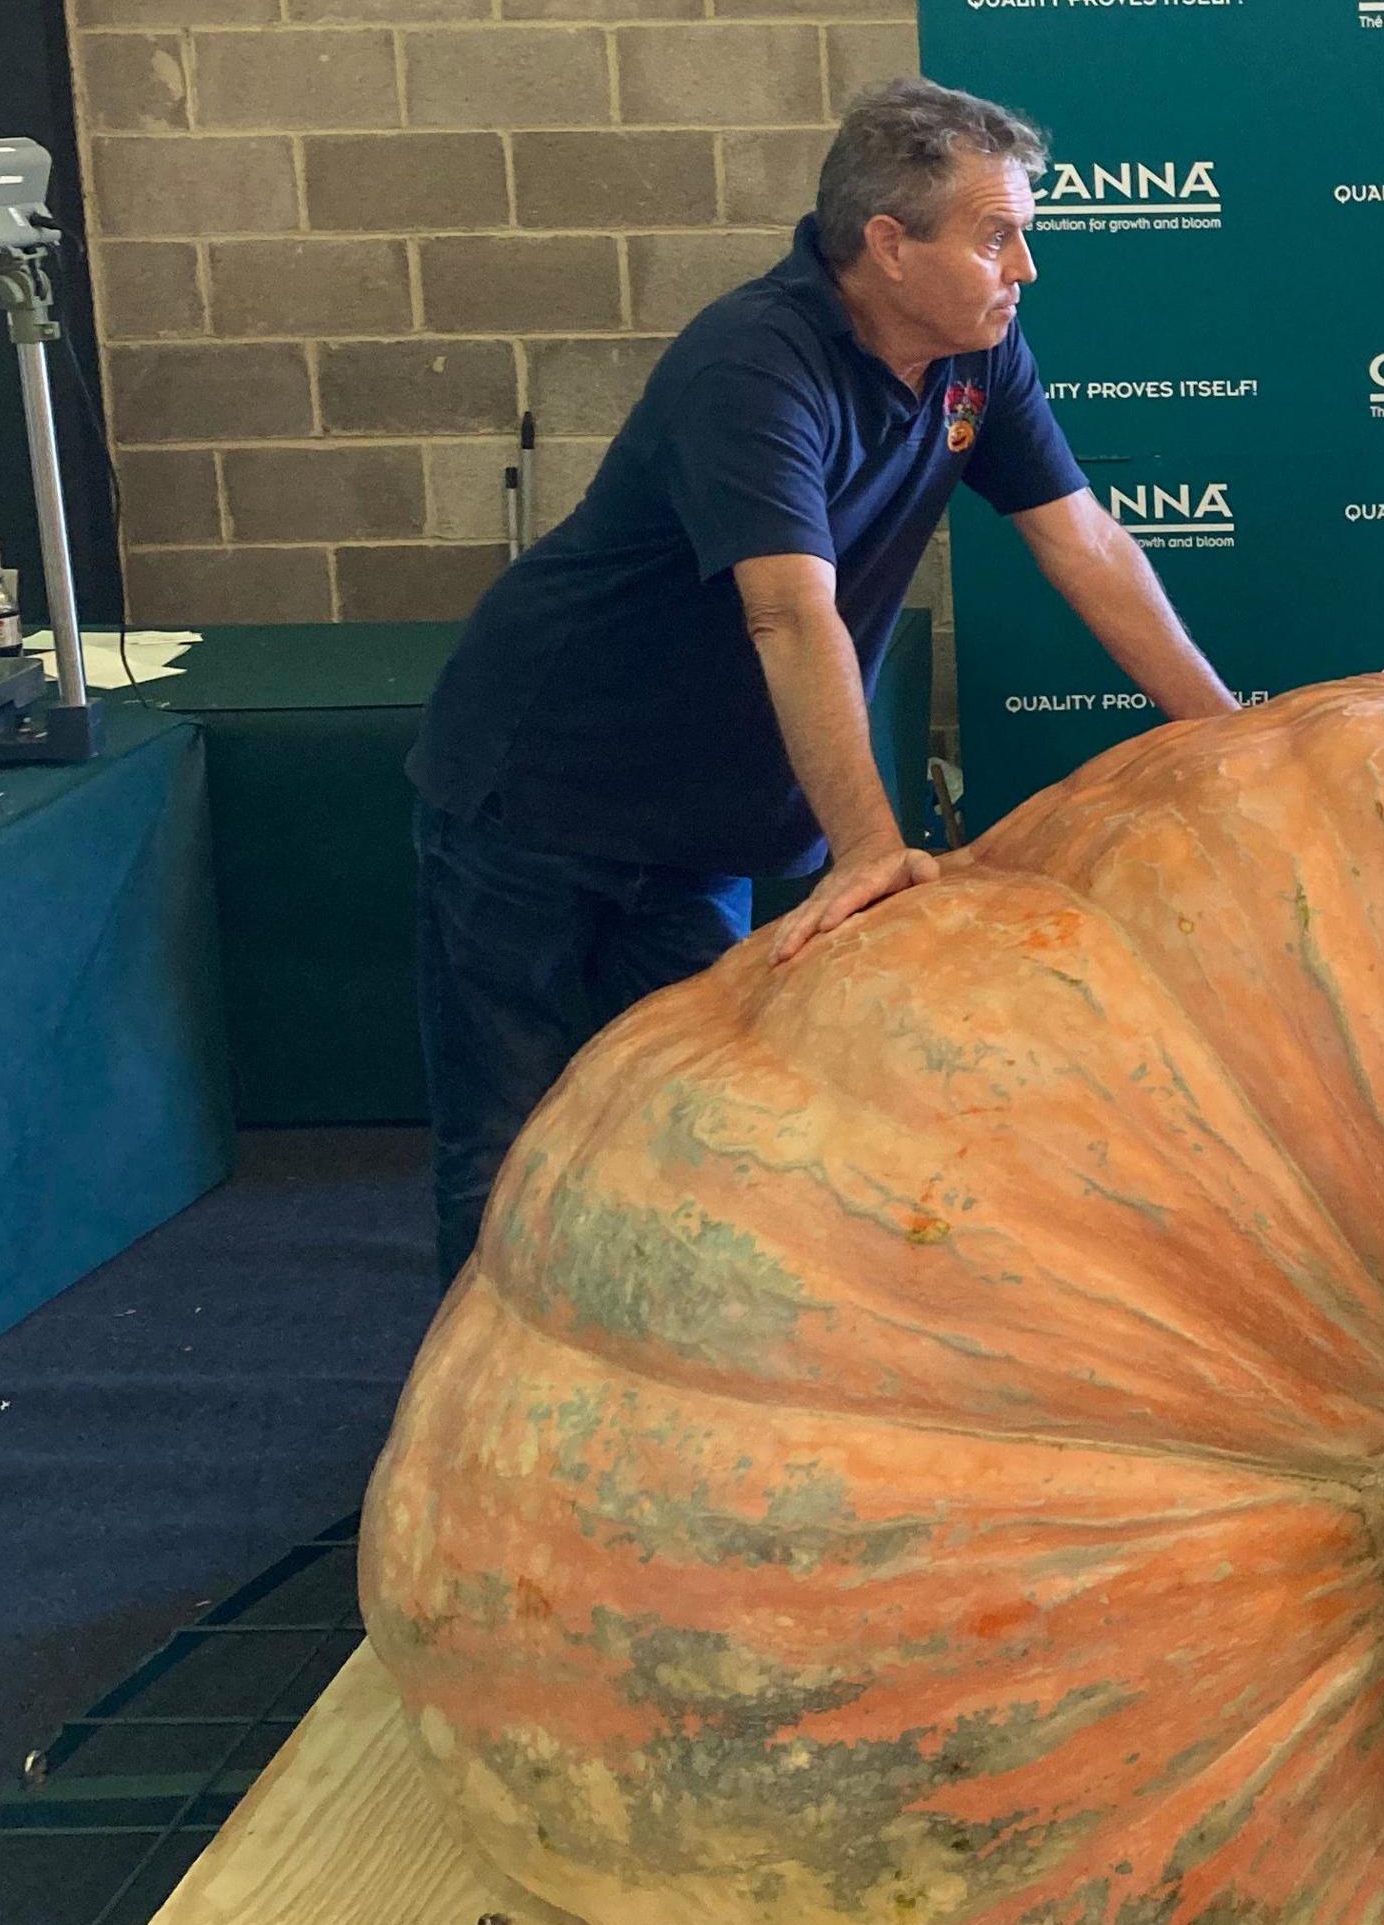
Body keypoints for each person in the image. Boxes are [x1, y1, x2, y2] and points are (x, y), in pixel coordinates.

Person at [403, 78, 1239, 1276]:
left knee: (694, 1132)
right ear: (891, 248)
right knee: (512, 1138)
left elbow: (1086, 544)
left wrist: (1230, 741)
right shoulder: (754, 366)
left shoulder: (978, 357)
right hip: (537, 788)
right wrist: (865, 846)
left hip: (705, 821)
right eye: (998, 237)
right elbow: (791, 616)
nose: (1027, 269)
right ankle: (472, 1444)